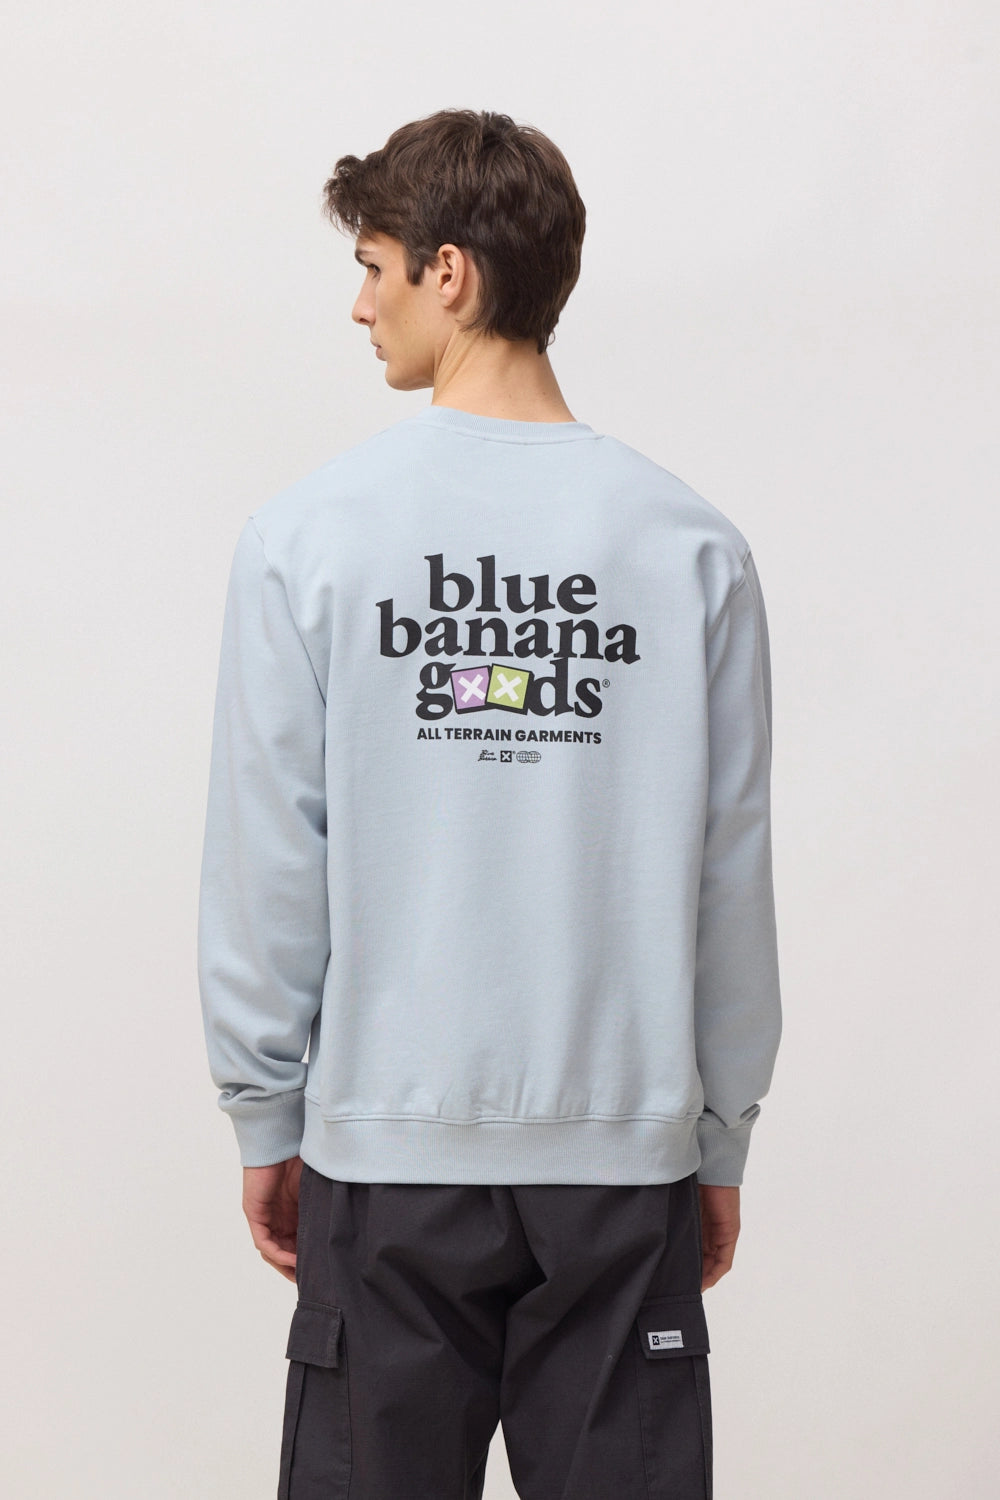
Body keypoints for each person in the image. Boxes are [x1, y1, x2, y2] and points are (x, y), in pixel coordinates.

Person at [197, 107, 782, 1500]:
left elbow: (272, 856)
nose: (361, 305)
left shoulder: (309, 539)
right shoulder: (690, 548)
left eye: (375, 267)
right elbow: (729, 872)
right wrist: (716, 1139)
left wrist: (265, 1112)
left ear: (447, 274)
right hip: (623, 1153)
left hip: (385, 1150)